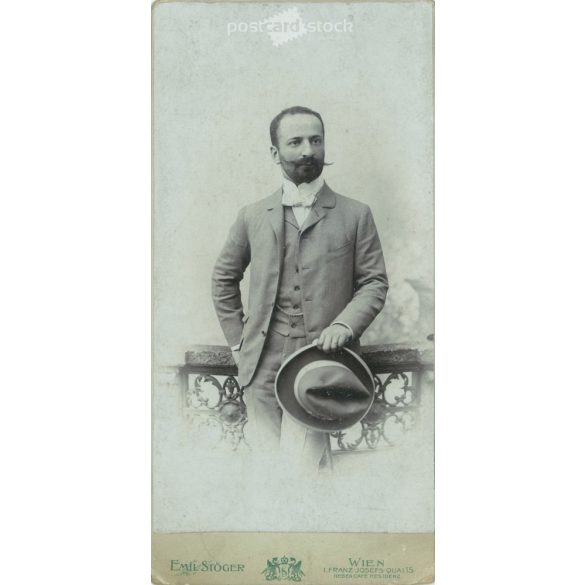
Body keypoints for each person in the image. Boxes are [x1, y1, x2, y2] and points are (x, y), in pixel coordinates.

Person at [211, 106, 388, 472]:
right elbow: (223, 279)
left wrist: (344, 325)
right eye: (295, 142)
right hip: (260, 364)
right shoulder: (253, 215)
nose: (308, 150)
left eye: (316, 140)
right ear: (276, 153)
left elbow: (373, 282)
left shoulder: (356, 214)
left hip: (320, 362)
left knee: (303, 472)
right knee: (266, 469)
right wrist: (237, 343)